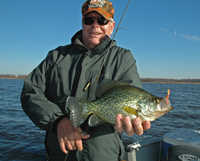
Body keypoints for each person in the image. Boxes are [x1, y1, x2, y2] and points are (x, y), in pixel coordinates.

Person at [20, 0, 151, 161]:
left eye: (102, 20)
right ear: (82, 23)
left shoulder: (123, 58)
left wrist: (132, 124)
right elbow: (30, 92)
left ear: (112, 26)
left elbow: (132, 96)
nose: (95, 25)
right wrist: (58, 121)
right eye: (89, 20)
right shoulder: (56, 57)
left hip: (104, 156)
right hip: (60, 155)